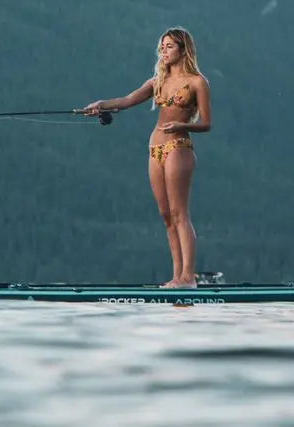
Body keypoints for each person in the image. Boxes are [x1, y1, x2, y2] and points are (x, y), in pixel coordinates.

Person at [84, 27, 211, 288]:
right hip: (155, 149)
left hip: (179, 147)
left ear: (183, 50)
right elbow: (127, 100)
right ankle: (177, 276)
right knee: (166, 215)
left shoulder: (198, 82)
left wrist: (182, 126)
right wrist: (101, 104)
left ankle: (189, 277)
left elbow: (207, 124)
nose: (164, 51)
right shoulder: (157, 81)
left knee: (179, 213)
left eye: (170, 46)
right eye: (162, 46)